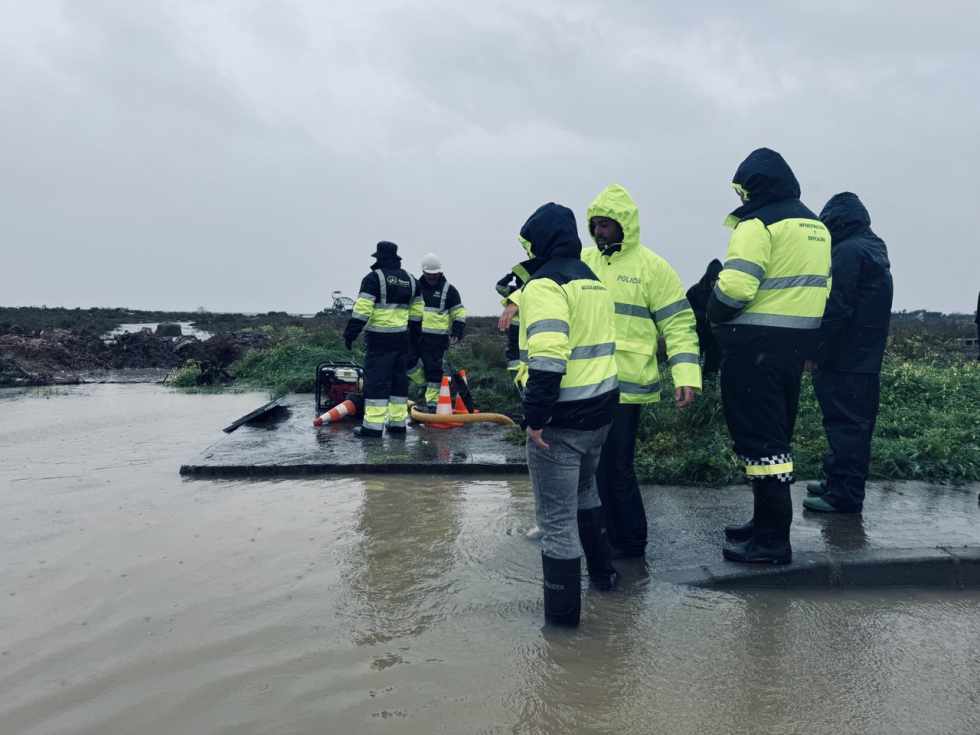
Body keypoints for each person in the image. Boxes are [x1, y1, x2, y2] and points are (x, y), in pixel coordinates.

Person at [708, 148, 831, 564]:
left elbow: (737, 288)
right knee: (775, 436)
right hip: (794, 348)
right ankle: (764, 524)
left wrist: (714, 311)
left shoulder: (758, 223)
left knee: (760, 443)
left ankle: (772, 541)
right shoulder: (817, 226)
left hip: (754, 346)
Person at [582, 184, 702, 558]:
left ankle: (631, 543)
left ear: (624, 225)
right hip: (587, 386)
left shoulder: (653, 268)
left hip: (627, 389)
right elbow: (544, 282)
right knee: (590, 469)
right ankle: (601, 535)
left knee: (616, 469)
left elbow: (679, 324)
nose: (600, 232)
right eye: (596, 225)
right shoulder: (583, 261)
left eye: (606, 225)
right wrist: (513, 299)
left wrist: (686, 376)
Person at [517, 202, 620, 627]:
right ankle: (604, 579)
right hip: (602, 410)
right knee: (586, 494)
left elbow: (547, 356)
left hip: (561, 419)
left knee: (556, 521)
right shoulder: (591, 280)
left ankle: (562, 627)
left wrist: (536, 416)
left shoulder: (544, 286)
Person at [804, 193, 893, 513]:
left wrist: (814, 350)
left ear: (836, 222)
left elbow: (836, 308)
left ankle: (844, 496)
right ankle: (837, 482)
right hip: (864, 358)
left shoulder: (847, 251)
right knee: (853, 427)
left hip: (844, 358)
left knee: (845, 428)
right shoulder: (873, 247)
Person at [343, 241, 422, 437]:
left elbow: (362, 310)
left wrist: (351, 333)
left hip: (379, 340)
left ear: (379, 258)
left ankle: (373, 427)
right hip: (402, 339)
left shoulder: (373, 279)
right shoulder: (412, 280)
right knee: (398, 382)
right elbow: (417, 315)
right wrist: (414, 341)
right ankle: (397, 424)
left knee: (377, 382)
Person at [407, 253, 466, 408]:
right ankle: (424, 383)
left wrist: (458, 330)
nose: (432, 277)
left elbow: (458, 312)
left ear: (440, 272)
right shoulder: (415, 288)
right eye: (429, 274)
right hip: (415, 335)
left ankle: (432, 404)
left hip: (437, 340)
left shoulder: (449, 290)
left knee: (434, 371)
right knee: (408, 364)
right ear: (423, 272)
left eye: (435, 274)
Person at [685, 259, 724, 377]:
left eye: (717, 280)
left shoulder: (723, 293)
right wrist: (704, 316)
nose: (715, 283)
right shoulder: (694, 291)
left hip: (715, 338)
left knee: (711, 371)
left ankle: (709, 391)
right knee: (691, 369)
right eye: (713, 279)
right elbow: (685, 313)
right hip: (696, 336)